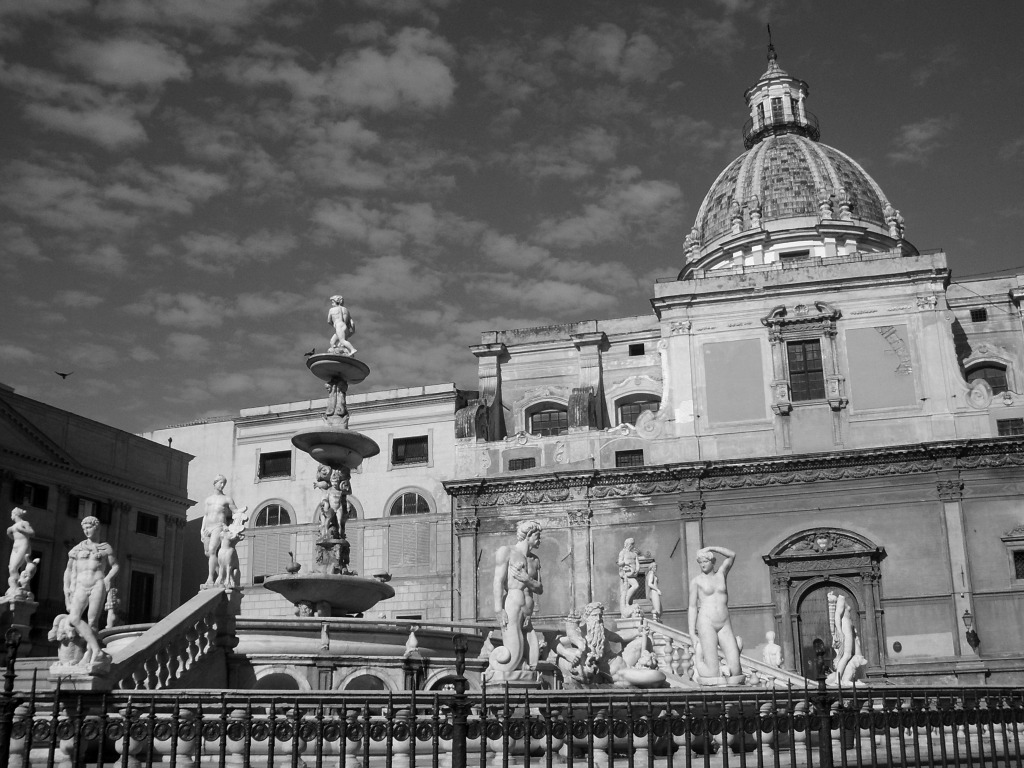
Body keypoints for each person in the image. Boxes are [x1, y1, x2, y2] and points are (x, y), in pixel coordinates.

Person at [490, 520, 543, 673]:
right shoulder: (507, 551)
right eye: (537, 536)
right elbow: (498, 581)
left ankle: (523, 674)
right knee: (513, 656)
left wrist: (527, 579)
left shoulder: (535, 560)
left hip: (527, 613)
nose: (540, 539)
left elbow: (539, 589)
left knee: (533, 658)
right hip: (513, 606)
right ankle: (496, 671)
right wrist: (498, 609)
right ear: (529, 535)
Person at [63, 516, 119, 663]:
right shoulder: (77, 549)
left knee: (93, 621)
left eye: (89, 527)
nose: (86, 531)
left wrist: (108, 578)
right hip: (80, 585)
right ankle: (97, 650)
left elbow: (115, 566)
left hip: (97, 584)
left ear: (97, 527)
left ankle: (89, 654)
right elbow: (69, 570)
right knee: (74, 618)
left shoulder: (105, 548)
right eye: (84, 528)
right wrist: (67, 589)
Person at [688, 545, 742, 680]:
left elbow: (732, 555)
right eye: (700, 562)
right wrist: (691, 633)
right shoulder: (696, 581)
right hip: (706, 623)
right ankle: (699, 658)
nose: (702, 565)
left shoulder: (721, 574)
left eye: (705, 561)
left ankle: (726, 667)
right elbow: (692, 607)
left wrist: (711, 548)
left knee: (736, 671)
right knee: (712, 673)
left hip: (724, 623)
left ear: (713, 562)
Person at [202, 475, 248, 586]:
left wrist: (242, 512)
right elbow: (205, 515)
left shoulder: (227, 499)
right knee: (208, 553)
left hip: (219, 526)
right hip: (207, 527)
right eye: (220, 483)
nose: (222, 485)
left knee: (212, 550)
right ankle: (221, 576)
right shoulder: (208, 500)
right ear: (215, 483)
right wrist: (202, 530)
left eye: (224, 483)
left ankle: (210, 578)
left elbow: (235, 511)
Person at [6, 506, 33, 594]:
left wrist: (21, 530)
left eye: (12, 514)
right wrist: (9, 533)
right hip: (15, 547)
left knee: (14, 568)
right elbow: (14, 538)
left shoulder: (24, 523)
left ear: (15, 514)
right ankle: (14, 587)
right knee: (11, 568)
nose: (11, 516)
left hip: (23, 546)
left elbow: (32, 533)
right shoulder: (13, 526)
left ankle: (16, 587)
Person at [617, 538, 641, 616]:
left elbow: (637, 563)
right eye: (631, 544)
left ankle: (628, 603)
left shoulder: (634, 554)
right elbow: (619, 563)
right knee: (635, 585)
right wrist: (625, 562)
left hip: (633, 573)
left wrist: (637, 570)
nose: (632, 545)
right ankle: (626, 602)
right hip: (626, 574)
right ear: (627, 544)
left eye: (633, 544)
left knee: (630, 588)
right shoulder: (622, 553)